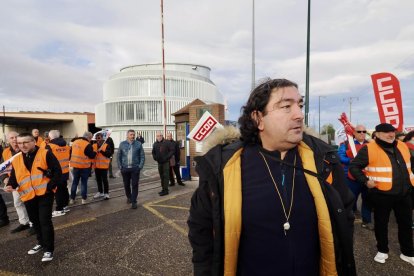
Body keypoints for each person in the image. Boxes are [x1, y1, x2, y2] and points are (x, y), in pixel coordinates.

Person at [187, 78, 356, 276]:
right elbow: (202, 232)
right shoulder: (224, 167)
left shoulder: (323, 161)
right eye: (286, 106)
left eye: (299, 105)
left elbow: (344, 215)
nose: (299, 115)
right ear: (258, 118)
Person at [349, 123, 414, 265]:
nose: (391, 134)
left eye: (392, 132)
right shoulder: (368, 148)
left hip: (404, 193)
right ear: (377, 134)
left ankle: (408, 252)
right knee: (381, 224)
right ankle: (382, 250)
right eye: (386, 132)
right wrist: (365, 181)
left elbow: (410, 165)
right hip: (381, 195)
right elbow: (354, 166)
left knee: (406, 224)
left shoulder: (402, 146)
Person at [4, 132, 61, 262]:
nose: (22, 145)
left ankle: (48, 249)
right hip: (28, 195)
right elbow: (14, 176)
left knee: (44, 221)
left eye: (25, 142)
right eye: (19, 143)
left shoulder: (45, 153)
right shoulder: (17, 158)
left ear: (33, 142)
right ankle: (41, 243)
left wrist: (50, 188)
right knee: (35, 221)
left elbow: (58, 171)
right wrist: (10, 185)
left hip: (44, 194)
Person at [338, 125, 373, 229]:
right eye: (359, 131)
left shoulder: (370, 144)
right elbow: (340, 156)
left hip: (367, 176)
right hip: (351, 176)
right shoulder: (347, 144)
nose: (362, 133)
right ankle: (350, 216)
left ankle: (367, 221)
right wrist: (351, 161)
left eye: (364, 131)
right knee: (351, 198)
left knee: (367, 199)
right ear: (354, 133)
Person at [0, 131, 33, 234]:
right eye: (11, 138)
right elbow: (3, 167)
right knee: (17, 203)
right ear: (8, 140)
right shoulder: (5, 152)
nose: (14, 139)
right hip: (14, 183)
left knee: (30, 203)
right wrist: (5, 178)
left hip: (28, 182)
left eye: (16, 137)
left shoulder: (25, 149)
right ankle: (24, 223)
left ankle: (34, 224)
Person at [117, 130, 145, 209]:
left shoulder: (138, 144)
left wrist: (140, 167)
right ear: (127, 135)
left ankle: (134, 201)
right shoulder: (122, 144)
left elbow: (142, 156)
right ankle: (129, 197)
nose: (132, 136)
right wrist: (120, 167)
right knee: (126, 184)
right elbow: (118, 156)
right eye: (131, 135)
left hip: (135, 168)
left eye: (133, 135)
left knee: (135, 185)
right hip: (125, 168)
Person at [46, 130, 71, 217]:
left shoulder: (49, 146)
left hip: (56, 173)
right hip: (65, 171)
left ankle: (59, 209)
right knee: (64, 189)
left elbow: (46, 160)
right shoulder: (66, 146)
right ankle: (65, 206)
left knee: (58, 191)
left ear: (50, 137)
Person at [69, 131, 96, 204]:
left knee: (75, 182)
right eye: (90, 138)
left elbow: (70, 152)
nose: (90, 139)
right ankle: (84, 199)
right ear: (88, 137)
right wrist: (95, 152)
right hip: (84, 167)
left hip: (75, 166)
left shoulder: (75, 142)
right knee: (84, 183)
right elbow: (91, 155)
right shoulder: (87, 144)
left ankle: (72, 199)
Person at [152, 132, 174, 196]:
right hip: (159, 163)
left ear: (162, 136)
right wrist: (155, 158)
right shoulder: (155, 144)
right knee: (161, 176)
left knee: (166, 176)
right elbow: (153, 152)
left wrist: (167, 157)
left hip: (166, 163)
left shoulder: (167, 142)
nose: (159, 137)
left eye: (160, 135)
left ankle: (166, 190)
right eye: (157, 136)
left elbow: (172, 150)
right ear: (156, 137)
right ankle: (163, 189)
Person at [92, 133, 112, 200]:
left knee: (105, 180)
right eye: (97, 138)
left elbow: (109, 154)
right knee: (98, 180)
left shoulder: (106, 145)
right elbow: (92, 154)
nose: (98, 139)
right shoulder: (94, 145)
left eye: (99, 138)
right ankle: (100, 192)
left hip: (104, 166)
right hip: (96, 166)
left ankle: (106, 193)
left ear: (102, 138)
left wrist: (102, 151)